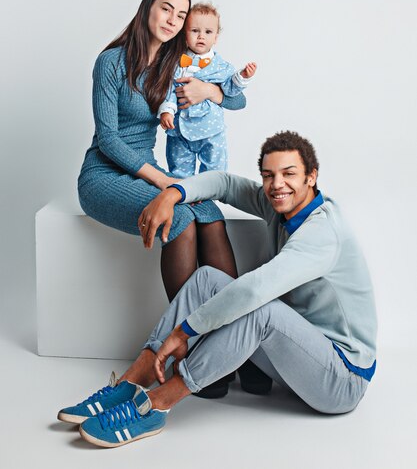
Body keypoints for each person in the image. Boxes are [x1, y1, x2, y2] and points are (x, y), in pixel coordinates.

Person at [59, 131, 377, 448]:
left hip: (342, 379)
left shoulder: (322, 232)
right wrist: (171, 194)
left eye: (289, 173)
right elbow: (225, 184)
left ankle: (155, 405)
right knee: (208, 277)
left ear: (312, 176)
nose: (277, 184)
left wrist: (184, 332)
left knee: (260, 311)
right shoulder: (281, 207)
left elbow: (254, 291)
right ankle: (133, 381)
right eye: (269, 175)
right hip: (298, 360)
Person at [77, 0, 244, 302]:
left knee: (208, 212)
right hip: (103, 176)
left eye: (181, 15)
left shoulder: (175, 63)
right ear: (147, 8)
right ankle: (181, 336)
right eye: (166, 8)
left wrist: (209, 91)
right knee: (179, 216)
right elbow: (109, 141)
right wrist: (168, 183)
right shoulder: (110, 62)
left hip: (147, 169)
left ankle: (233, 331)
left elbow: (238, 102)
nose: (172, 19)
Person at [158, 2, 257, 177]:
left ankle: (206, 196)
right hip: (179, 130)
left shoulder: (222, 67)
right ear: (184, 34)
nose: (201, 36)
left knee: (214, 171)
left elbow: (230, 91)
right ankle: (184, 195)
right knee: (179, 171)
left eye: (208, 32)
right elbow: (169, 89)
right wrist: (167, 111)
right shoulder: (175, 63)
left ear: (216, 37)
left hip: (211, 130)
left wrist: (242, 76)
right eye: (195, 31)